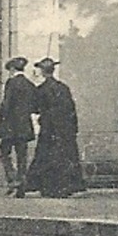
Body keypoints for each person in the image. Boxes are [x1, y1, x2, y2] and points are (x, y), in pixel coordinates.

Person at [23, 58, 85, 198]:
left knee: (47, 157)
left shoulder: (42, 89)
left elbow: (35, 108)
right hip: (65, 129)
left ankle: (49, 187)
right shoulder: (63, 87)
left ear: (43, 72)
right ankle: (65, 187)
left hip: (49, 129)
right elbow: (71, 109)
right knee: (64, 157)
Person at [0, 56, 37, 196]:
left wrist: (1, 117)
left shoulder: (11, 83)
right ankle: (21, 183)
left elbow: (6, 105)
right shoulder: (29, 84)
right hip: (24, 126)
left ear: (13, 69)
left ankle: (12, 179)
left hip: (10, 126)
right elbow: (35, 107)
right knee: (22, 156)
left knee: (4, 152)